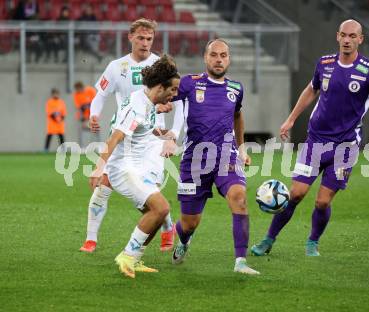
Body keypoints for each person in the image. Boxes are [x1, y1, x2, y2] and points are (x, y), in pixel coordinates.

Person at [251, 19, 369, 257]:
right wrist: (291, 119)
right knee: (296, 194)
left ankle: (312, 242)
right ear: (337, 36)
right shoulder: (325, 63)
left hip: (345, 147)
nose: (347, 40)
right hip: (316, 141)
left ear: (360, 39)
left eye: (352, 36)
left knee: (322, 202)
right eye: (343, 35)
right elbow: (311, 89)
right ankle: (268, 239)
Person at [79, 19, 182, 253]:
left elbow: (180, 104)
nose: (145, 43)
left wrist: (171, 135)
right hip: (126, 135)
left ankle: (162, 229)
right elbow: (101, 95)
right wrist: (94, 114)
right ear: (130, 37)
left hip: (151, 140)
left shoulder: (163, 67)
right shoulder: (117, 67)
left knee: (149, 200)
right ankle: (92, 239)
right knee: (107, 186)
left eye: (149, 39)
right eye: (141, 38)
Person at [170, 39, 259, 275]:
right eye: (214, 55)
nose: (219, 59)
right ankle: (184, 239)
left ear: (229, 59)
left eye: (224, 55)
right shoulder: (189, 83)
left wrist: (241, 149)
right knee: (189, 223)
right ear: (205, 58)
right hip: (194, 160)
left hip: (225, 157)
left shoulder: (236, 88)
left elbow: (238, 116)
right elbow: (166, 99)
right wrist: (162, 113)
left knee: (239, 197)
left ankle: (241, 261)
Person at [89, 55, 180, 278]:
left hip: (135, 167)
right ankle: (127, 255)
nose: (174, 94)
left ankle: (135, 258)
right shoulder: (138, 106)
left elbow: (139, 127)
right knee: (162, 208)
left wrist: (158, 130)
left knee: (156, 216)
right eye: (173, 89)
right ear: (160, 87)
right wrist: (99, 168)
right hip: (124, 169)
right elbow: (115, 137)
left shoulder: (145, 100)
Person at [73, 81, 99, 149]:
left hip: (92, 115)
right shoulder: (76, 94)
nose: (78, 91)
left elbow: (95, 102)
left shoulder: (90, 90)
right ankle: (82, 147)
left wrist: (87, 106)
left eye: (78, 89)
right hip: (83, 117)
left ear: (81, 87)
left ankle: (97, 147)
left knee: (95, 130)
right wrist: (83, 119)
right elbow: (79, 107)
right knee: (81, 131)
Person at [44, 88, 67, 152]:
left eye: (57, 94)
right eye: (54, 94)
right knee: (49, 135)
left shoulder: (61, 102)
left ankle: (63, 149)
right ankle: (46, 149)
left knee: (61, 136)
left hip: (60, 123)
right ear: (52, 94)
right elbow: (49, 112)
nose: (56, 95)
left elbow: (64, 112)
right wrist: (56, 119)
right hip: (52, 123)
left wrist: (61, 119)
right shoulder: (49, 102)